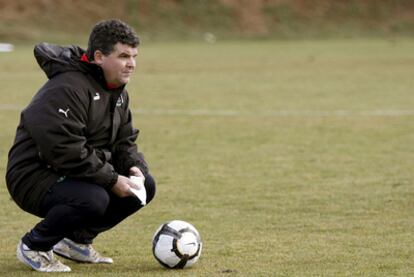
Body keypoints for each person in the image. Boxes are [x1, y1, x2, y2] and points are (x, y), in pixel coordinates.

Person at [5, 19, 156, 272]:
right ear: (99, 56)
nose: (131, 64)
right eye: (123, 56)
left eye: (134, 56)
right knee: (93, 198)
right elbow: (64, 149)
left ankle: (75, 241)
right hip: (32, 175)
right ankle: (34, 246)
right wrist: (110, 179)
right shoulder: (67, 87)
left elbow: (124, 141)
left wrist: (134, 167)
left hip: (72, 171)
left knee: (144, 186)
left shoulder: (118, 91)